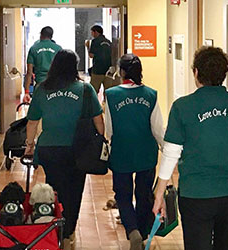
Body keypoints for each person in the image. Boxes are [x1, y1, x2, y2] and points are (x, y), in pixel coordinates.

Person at [153, 46, 228, 250]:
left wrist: (159, 193)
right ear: (224, 74)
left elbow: (171, 154)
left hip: (196, 196)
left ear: (196, 72)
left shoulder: (183, 106)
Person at [24, 49, 104, 250]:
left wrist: (29, 145)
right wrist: (102, 141)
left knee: (55, 188)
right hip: (79, 149)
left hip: (50, 149)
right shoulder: (85, 90)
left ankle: (55, 227)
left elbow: (32, 122)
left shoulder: (42, 89)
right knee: (75, 191)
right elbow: (98, 120)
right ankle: (68, 232)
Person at [105, 54, 164, 250]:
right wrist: (167, 150)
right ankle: (144, 233)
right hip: (146, 153)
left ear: (121, 72)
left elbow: (109, 129)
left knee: (122, 194)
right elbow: (157, 129)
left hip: (122, 152)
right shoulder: (151, 94)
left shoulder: (111, 95)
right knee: (143, 193)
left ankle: (133, 231)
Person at [23, 26, 62, 102]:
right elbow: (62, 69)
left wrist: (27, 92)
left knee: (39, 111)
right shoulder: (58, 49)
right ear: (51, 36)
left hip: (40, 86)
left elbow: (29, 72)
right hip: (55, 85)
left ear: (41, 35)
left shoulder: (33, 48)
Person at [85, 25, 112, 94]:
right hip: (108, 70)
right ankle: (105, 104)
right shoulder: (109, 42)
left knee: (93, 91)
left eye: (92, 32)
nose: (91, 34)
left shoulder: (95, 41)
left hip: (97, 70)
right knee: (108, 92)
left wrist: (88, 47)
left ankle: (94, 105)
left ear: (96, 32)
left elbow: (91, 55)